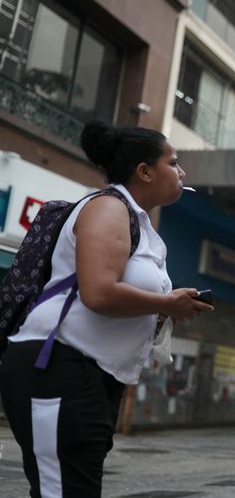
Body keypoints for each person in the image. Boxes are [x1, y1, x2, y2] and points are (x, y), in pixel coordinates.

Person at [0, 120, 214, 497]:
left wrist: (164, 309)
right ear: (144, 171)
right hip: (58, 367)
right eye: (174, 162)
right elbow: (98, 293)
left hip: (91, 377)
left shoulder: (140, 224)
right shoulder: (108, 208)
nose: (182, 173)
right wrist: (167, 303)